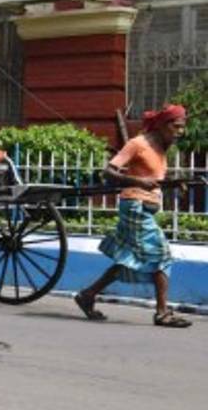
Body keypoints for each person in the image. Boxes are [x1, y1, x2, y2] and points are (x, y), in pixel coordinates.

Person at [74, 104, 191, 328]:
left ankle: (88, 294)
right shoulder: (138, 144)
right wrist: (137, 182)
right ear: (162, 125)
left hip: (145, 207)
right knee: (162, 255)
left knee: (130, 260)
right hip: (135, 207)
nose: (180, 132)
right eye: (176, 126)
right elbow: (108, 172)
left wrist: (175, 183)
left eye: (182, 127)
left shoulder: (161, 147)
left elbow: (153, 179)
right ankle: (162, 313)